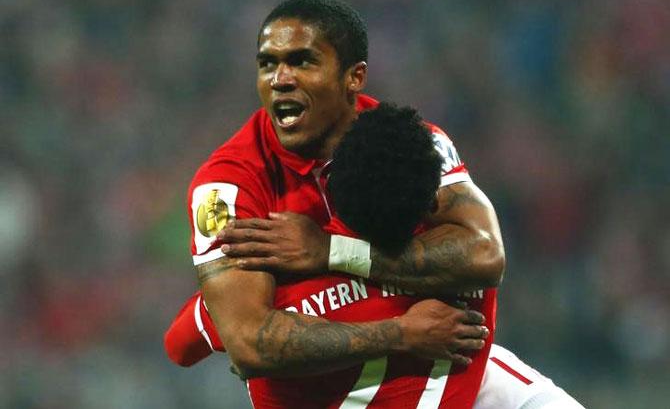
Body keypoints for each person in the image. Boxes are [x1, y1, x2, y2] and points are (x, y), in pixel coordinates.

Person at [166, 102, 584, 408]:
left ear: (334, 191)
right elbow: (487, 258)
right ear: (430, 203)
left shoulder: (279, 275)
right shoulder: (456, 261)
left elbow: (181, 344)